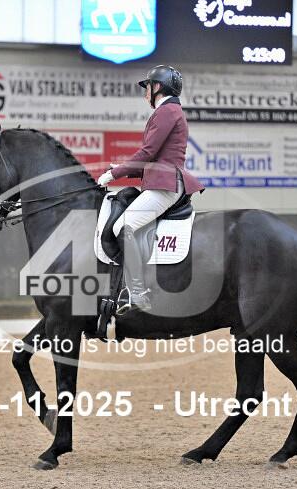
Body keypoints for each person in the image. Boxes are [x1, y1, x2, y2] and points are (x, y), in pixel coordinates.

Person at [97, 65, 204, 312]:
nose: (145, 93)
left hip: (165, 186)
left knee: (124, 227)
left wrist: (114, 174)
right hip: (163, 180)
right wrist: (124, 170)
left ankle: (136, 292)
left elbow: (148, 153)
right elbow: (155, 160)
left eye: (147, 87)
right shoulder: (170, 111)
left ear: (157, 87)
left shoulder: (166, 111)